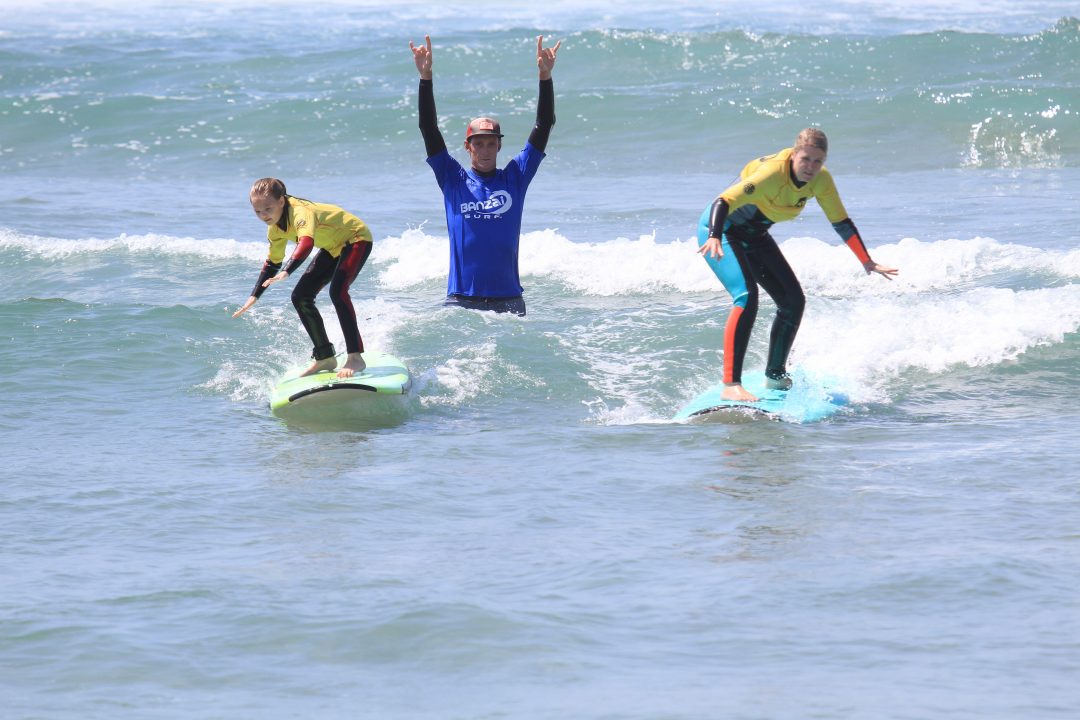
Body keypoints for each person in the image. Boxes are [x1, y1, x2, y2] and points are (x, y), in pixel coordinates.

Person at [697, 128, 898, 401]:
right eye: (805, 159)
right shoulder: (771, 174)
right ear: (794, 155)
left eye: (818, 161)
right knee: (746, 297)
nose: (811, 167)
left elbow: (841, 223)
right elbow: (723, 200)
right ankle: (731, 385)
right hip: (722, 232)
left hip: (755, 236)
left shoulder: (821, 181)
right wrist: (714, 236)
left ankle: (775, 376)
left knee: (793, 301)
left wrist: (867, 261)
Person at [409, 34, 561, 316]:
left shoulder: (515, 177)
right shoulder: (452, 178)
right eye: (478, 143)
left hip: (510, 300)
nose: (485, 149)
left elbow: (544, 125)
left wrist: (545, 77)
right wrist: (425, 77)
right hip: (461, 300)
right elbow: (428, 127)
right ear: (468, 147)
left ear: (500, 145)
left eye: (491, 143)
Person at [233, 178, 374, 378]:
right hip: (332, 247)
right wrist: (254, 295)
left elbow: (306, 243)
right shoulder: (275, 229)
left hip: (355, 238)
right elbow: (272, 262)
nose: (264, 215)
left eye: (268, 209)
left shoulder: (300, 212)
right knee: (300, 296)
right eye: (258, 211)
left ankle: (355, 357)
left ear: (281, 201)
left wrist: (288, 270)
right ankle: (325, 357)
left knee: (338, 291)